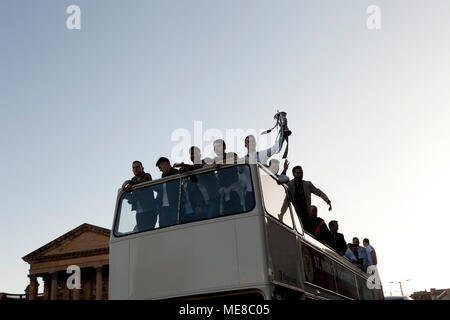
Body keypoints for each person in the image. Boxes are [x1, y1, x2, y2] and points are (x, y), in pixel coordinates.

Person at [121, 161, 156, 231]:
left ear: (142, 168)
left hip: (150, 211)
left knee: (147, 232)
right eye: (134, 167)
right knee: (140, 233)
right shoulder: (133, 180)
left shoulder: (147, 176)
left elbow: (145, 183)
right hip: (139, 213)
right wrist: (125, 194)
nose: (135, 169)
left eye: (137, 167)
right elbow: (133, 198)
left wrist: (129, 182)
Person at [155, 157, 179, 227]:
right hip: (164, 209)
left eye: (160, 167)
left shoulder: (175, 172)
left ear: (165, 164)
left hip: (174, 207)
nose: (160, 170)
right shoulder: (163, 176)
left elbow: (173, 187)